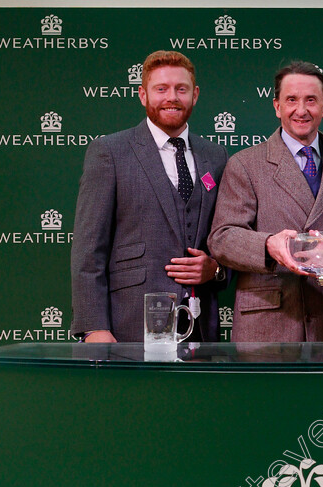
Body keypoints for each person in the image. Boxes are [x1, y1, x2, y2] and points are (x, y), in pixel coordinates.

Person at [71, 50, 228, 343]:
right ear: (143, 95)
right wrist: (94, 327)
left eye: (181, 89)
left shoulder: (216, 156)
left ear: (195, 95)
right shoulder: (110, 152)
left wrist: (216, 270)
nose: (172, 97)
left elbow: (227, 237)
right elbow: (88, 249)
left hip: (202, 331)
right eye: (161, 89)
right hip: (128, 326)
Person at [208, 61, 323, 342]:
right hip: (270, 324)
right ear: (277, 106)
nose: (301, 110)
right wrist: (268, 245)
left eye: (311, 100)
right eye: (291, 100)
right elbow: (222, 238)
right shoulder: (245, 164)